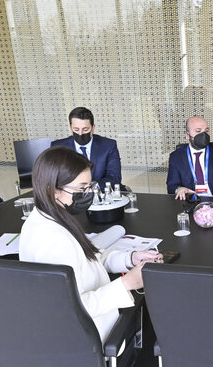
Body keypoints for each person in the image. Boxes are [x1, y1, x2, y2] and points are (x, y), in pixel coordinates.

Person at [18, 146, 161, 345]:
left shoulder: (54, 218)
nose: (87, 194)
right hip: (86, 335)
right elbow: (71, 307)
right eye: (81, 188)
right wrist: (127, 283)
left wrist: (129, 259)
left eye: (89, 186)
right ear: (54, 190)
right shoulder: (51, 239)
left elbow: (87, 259)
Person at [166, 116, 213, 204]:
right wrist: (178, 189)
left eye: (206, 131)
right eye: (198, 131)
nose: (204, 135)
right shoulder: (176, 156)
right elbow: (172, 185)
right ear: (187, 135)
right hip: (190, 202)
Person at [52, 107, 122, 187]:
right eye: (76, 129)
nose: (80, 134)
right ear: (71, 128)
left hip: (99, 195)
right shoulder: (58, 147)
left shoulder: (108, 146)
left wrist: (90, 187)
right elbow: (53, 179)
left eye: (85, 129)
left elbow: (115, 178)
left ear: (93, 128)